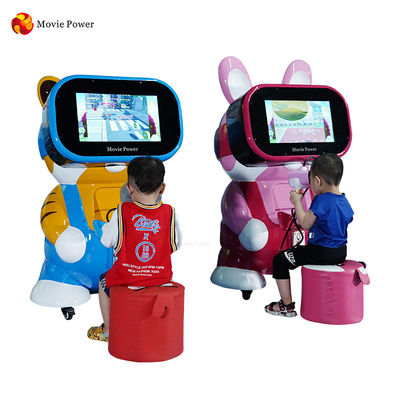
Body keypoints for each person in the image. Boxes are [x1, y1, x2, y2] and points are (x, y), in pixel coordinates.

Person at [87, 157, 181, 341]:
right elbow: (175, 244)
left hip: (127, 277)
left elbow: (106, 241)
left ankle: (108, 330)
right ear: (162, 188)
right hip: (160, 277)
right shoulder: (170, 213)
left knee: (103, 281)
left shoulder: (121, 212)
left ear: (129, 188)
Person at [265, 153, 354, 318]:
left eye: (311, 179)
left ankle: (286, 305)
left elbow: (305, 224)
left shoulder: (321, 200)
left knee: (279, 260)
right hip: (340, 252)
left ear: (317, 181)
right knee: (298, 252)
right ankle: (286, 305)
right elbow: (346, 219)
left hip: (320, 253)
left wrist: (297, 202)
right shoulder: (344, 201)